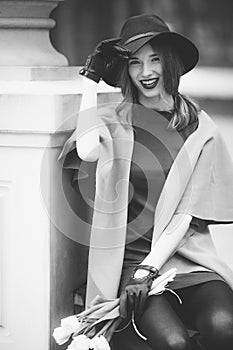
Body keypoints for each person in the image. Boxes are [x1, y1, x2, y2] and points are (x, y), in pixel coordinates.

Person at [58, 14, 233, 350]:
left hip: (186, 259)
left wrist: (149, 271)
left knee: (224, 327)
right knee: (173, 343)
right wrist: (90, 80)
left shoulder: (199, 128)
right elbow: (87, 149)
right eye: (135, 62)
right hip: (128, 262)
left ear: (171, 63)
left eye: (154, 59)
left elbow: (185, 214)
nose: (146, 72)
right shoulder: (115, 121)